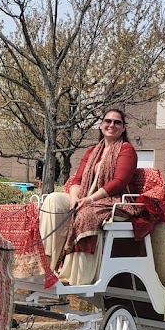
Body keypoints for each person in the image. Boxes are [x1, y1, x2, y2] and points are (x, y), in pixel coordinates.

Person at [39, 107, 138, 285]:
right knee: (53, 199)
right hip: (85, 197)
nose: (112, 125)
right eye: (108, 121)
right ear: (101, 125)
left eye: (117, 122)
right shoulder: (92, 151)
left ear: (123, 128)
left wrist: (90, 200)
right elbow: (77, 180)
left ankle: (73, 276)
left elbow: (119, 182)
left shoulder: (126, 149)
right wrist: (74, 199)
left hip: (112, 200)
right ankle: (47, 265)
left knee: (86, 214)